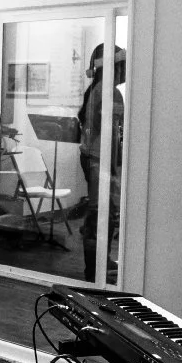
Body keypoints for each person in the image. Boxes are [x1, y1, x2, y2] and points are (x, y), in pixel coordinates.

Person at [77, 43, 125, 283]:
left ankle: (98, 266)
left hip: (94, 159)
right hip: (100, 162)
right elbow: (110, 133)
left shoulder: (96, 89)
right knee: (99, 216)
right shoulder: (108, 92)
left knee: (100, 215)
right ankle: (95, 272)